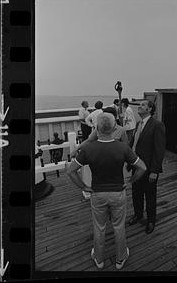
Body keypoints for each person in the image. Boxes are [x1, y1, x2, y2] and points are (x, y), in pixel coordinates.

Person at [67, 113, 146, 270]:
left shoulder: (88, 148)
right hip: (118, 193)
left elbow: (71, 171)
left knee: (99, 227)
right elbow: (142, 167)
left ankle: (99, 259)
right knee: (118, 226)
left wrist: (84, 187)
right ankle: (120, 259)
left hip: (97, 193)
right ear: (114, 128)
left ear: (96, 128)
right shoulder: (123, 147)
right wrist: (131, 181)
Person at [128, 100, 166, 234]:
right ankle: (138, 215)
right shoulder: (139, 123)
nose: (140, 106)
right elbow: (134, 145)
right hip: (136, 167)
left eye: (143, 105)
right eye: (140, 105)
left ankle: (151, 221)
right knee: (136, 193)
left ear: (150, 109)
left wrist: (154, 171)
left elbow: (159, 150)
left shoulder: (157, 125)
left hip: (149, 168)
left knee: (150, 196)